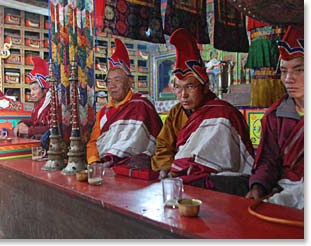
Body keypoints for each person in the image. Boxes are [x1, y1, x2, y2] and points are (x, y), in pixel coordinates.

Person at [151, 28, 254, 196]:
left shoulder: (223, 113)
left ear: (205, 87)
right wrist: (166, 167)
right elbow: (163, 146)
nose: (183, 95)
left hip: (219, 181)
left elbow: (237, 160)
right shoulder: (176, 113)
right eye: (178, 87)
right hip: (183, 181)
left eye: (190, 87)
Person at [246, 25, 304, 209]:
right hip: (288, 194)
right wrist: (258, 187)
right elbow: (268, 161)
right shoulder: (275, 116)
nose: (288, 79)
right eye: (284, 71)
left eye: (299, 70)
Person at [87, 38, 162, 167]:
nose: (112, 86)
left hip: (132, 167)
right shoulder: (103, 113)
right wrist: (94, 161)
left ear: (130, 82)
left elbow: (151, 138)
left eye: (117, 80)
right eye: (109, 82)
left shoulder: (141, 105)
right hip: (104, 166)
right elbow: (93, 142)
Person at [13, 57, 52, 139]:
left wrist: (29, 131)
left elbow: (52, 128)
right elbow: (33, 121)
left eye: (34, 89)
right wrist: (21, 123)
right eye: (30, 90)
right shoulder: (39, 104)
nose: (31, 93)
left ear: (45, 89)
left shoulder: (52, 104)